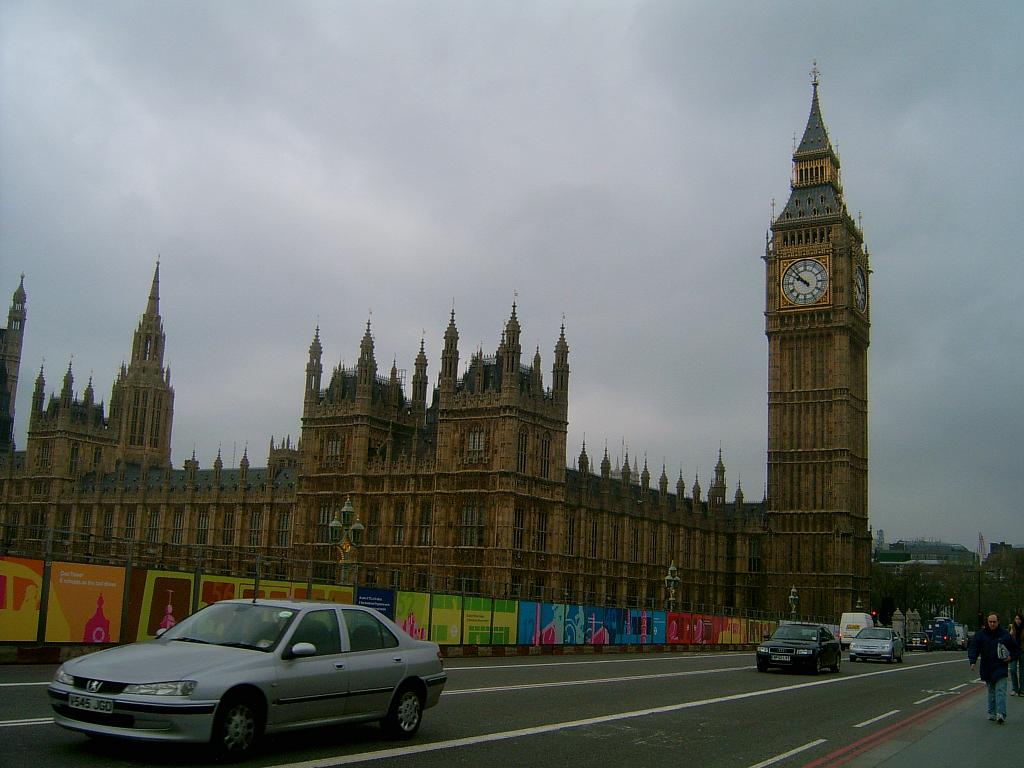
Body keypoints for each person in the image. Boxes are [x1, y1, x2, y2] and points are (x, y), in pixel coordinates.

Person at [968, 612, 1021, 723]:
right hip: (987, 667)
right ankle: (992, 712)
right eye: (990, 622)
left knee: (1000, 691)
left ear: (998, 622)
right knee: (991, 691)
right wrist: (972, 661)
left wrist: (1010, 657)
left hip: (1000, 667)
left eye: (994, 622)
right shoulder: (981, 634)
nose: (992, 624)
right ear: (987, 622)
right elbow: (974, 647)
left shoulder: (1005, 635)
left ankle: (1001, 714)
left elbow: (1016, 649)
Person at [1009, 611, 1024, 697]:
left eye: (1019, 619)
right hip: (1013, 652)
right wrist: (1010, 633)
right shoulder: (1012, 627)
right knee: (1013, 670)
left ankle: (1022, 690)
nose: (1017, 620)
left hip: (1022, 651)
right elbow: (1008, 638)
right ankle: (1015, 688)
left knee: (1022, 671)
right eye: (1016, 619)